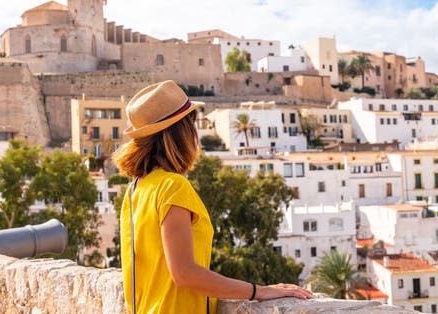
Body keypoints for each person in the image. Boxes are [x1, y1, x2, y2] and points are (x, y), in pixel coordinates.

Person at [112, 80, 312, 313]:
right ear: (182, 132)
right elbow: (184, 274)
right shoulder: (172, 187)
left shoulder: (136, 189)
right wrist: (260, 291)